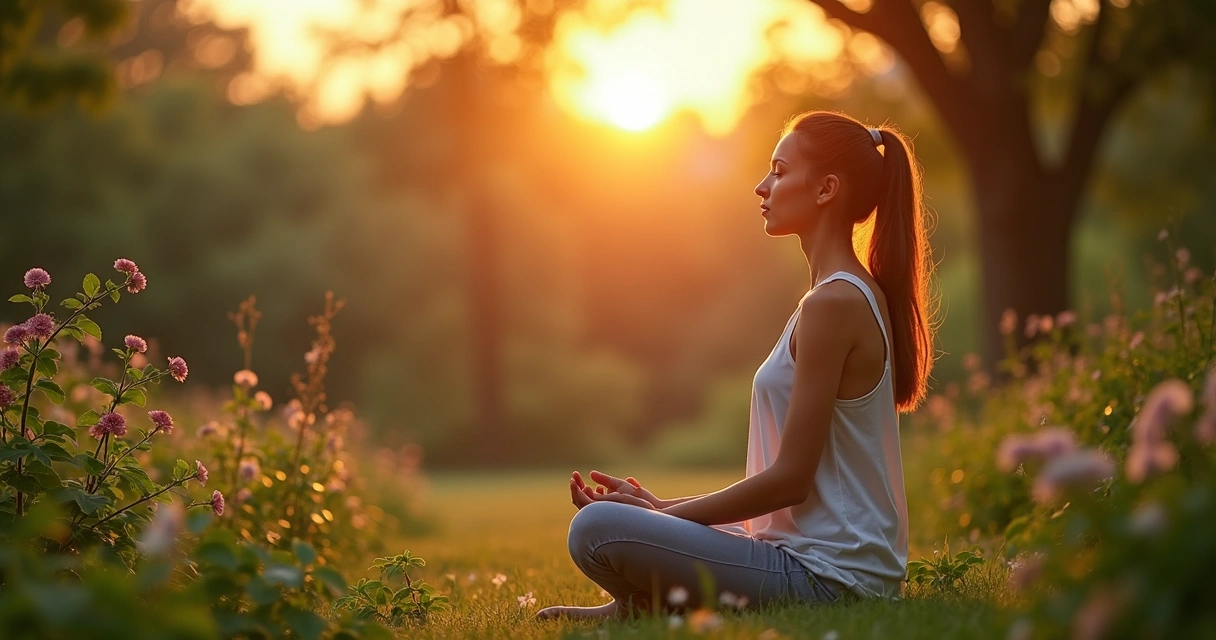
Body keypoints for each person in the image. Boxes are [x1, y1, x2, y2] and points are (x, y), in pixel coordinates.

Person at [536, 110, 938, 621]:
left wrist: (662, 515)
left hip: (829, 578)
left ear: (826, 189)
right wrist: (662, 509)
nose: (760, 185)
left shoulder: (832, 305)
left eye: (779, 170)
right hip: (803, 556)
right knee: (613, 518)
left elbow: (791, 480)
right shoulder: (832, 298)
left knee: (596, 529)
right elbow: (789, 502)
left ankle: (644, 607)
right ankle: (640, 607)